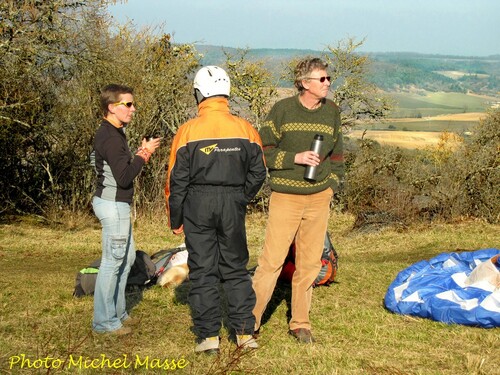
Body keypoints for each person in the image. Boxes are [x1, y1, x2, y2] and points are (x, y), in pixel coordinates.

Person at [165, 66, 266, 354]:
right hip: (233, 201)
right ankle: (245, 333)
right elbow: (259, 172)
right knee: (235, 268)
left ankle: (209, 337)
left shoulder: (187, 131)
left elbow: (176, 180)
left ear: (198, 93)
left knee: (203, 269)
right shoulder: (246, 129)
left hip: (197, 204)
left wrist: (176, 218)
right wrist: (240, 197)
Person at [251, 57, 344, 344]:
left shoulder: (333, 112)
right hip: (286, 198)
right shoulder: (282, 110)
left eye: (328, 78)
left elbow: (337, 155)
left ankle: (300, 323)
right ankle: (249, 321)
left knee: (310, 264)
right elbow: (262, 151)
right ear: (304, 83)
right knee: (271, 262)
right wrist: (296, 158)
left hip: (319, 198)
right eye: (322, 79)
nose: (327, 83)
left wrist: (333, 186)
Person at [91, 84, 160, 335]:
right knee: (112, 262)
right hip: (113, 205)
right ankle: (104, 322)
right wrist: (144, 154)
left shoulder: (115, 132)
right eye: (128, 104)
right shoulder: (110, 137)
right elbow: (124, 177)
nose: (133, 109)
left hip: (117, 204)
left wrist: (141, 152)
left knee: (127, 259)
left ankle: (117, 312)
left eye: (133, 104)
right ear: (112, 107)